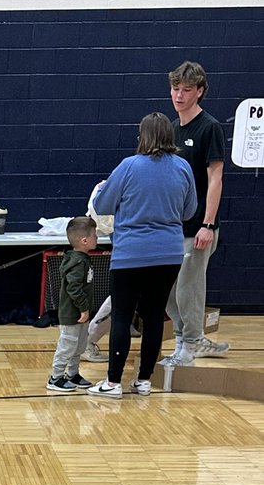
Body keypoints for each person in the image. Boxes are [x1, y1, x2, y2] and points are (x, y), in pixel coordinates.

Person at [86, 113, 196, 398]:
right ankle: (143, 381)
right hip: (169, 254)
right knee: (154, 317)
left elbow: (103, 205)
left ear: (143, 136)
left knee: (122, 317)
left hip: (131, 254)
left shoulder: (129, 166)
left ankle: (113, 383)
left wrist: (102, 191)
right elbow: (189, 211)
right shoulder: (183, 167)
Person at [162, 61, 229, 366]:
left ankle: (189, 347)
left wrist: (208, 224)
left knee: (189, 290)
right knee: (167, 291)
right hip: (171, 226)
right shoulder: (171, 128)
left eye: (187, 90)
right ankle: (188, 339)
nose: (179, 95)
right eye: (175, 88)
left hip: (198, 226)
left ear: (200, 91)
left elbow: (216, 178)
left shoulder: (209, 127)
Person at [47, 216, 96, 393]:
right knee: (67, 345)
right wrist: (83, 308)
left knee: (79, 346)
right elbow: (73, 287)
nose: (97, 238)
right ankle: (55, 377)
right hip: (72, 313)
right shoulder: (77, 262)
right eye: (94, 235)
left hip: (81, 313)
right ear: (84, 240)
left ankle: (72, 374)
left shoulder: (83, 259)